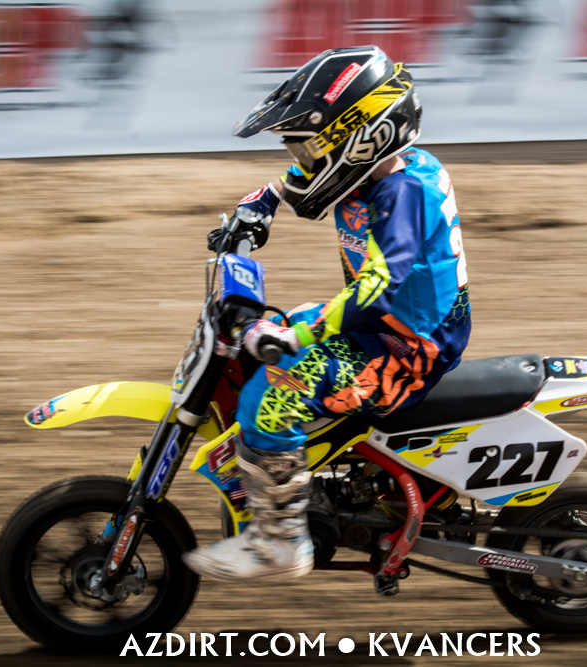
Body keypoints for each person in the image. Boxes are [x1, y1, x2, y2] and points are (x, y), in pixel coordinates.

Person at [182, 45, 471, 582]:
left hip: (404, 351)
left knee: (270, 397)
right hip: (384, 330)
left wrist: (301, 334)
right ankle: (301, 478)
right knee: (261, 341)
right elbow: (300, 180)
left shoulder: (403, 193)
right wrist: (262, 203)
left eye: (312, 146)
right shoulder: (377, 173)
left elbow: (378, 286)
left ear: (363, 139)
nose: (305, 159)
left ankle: (280, 542)